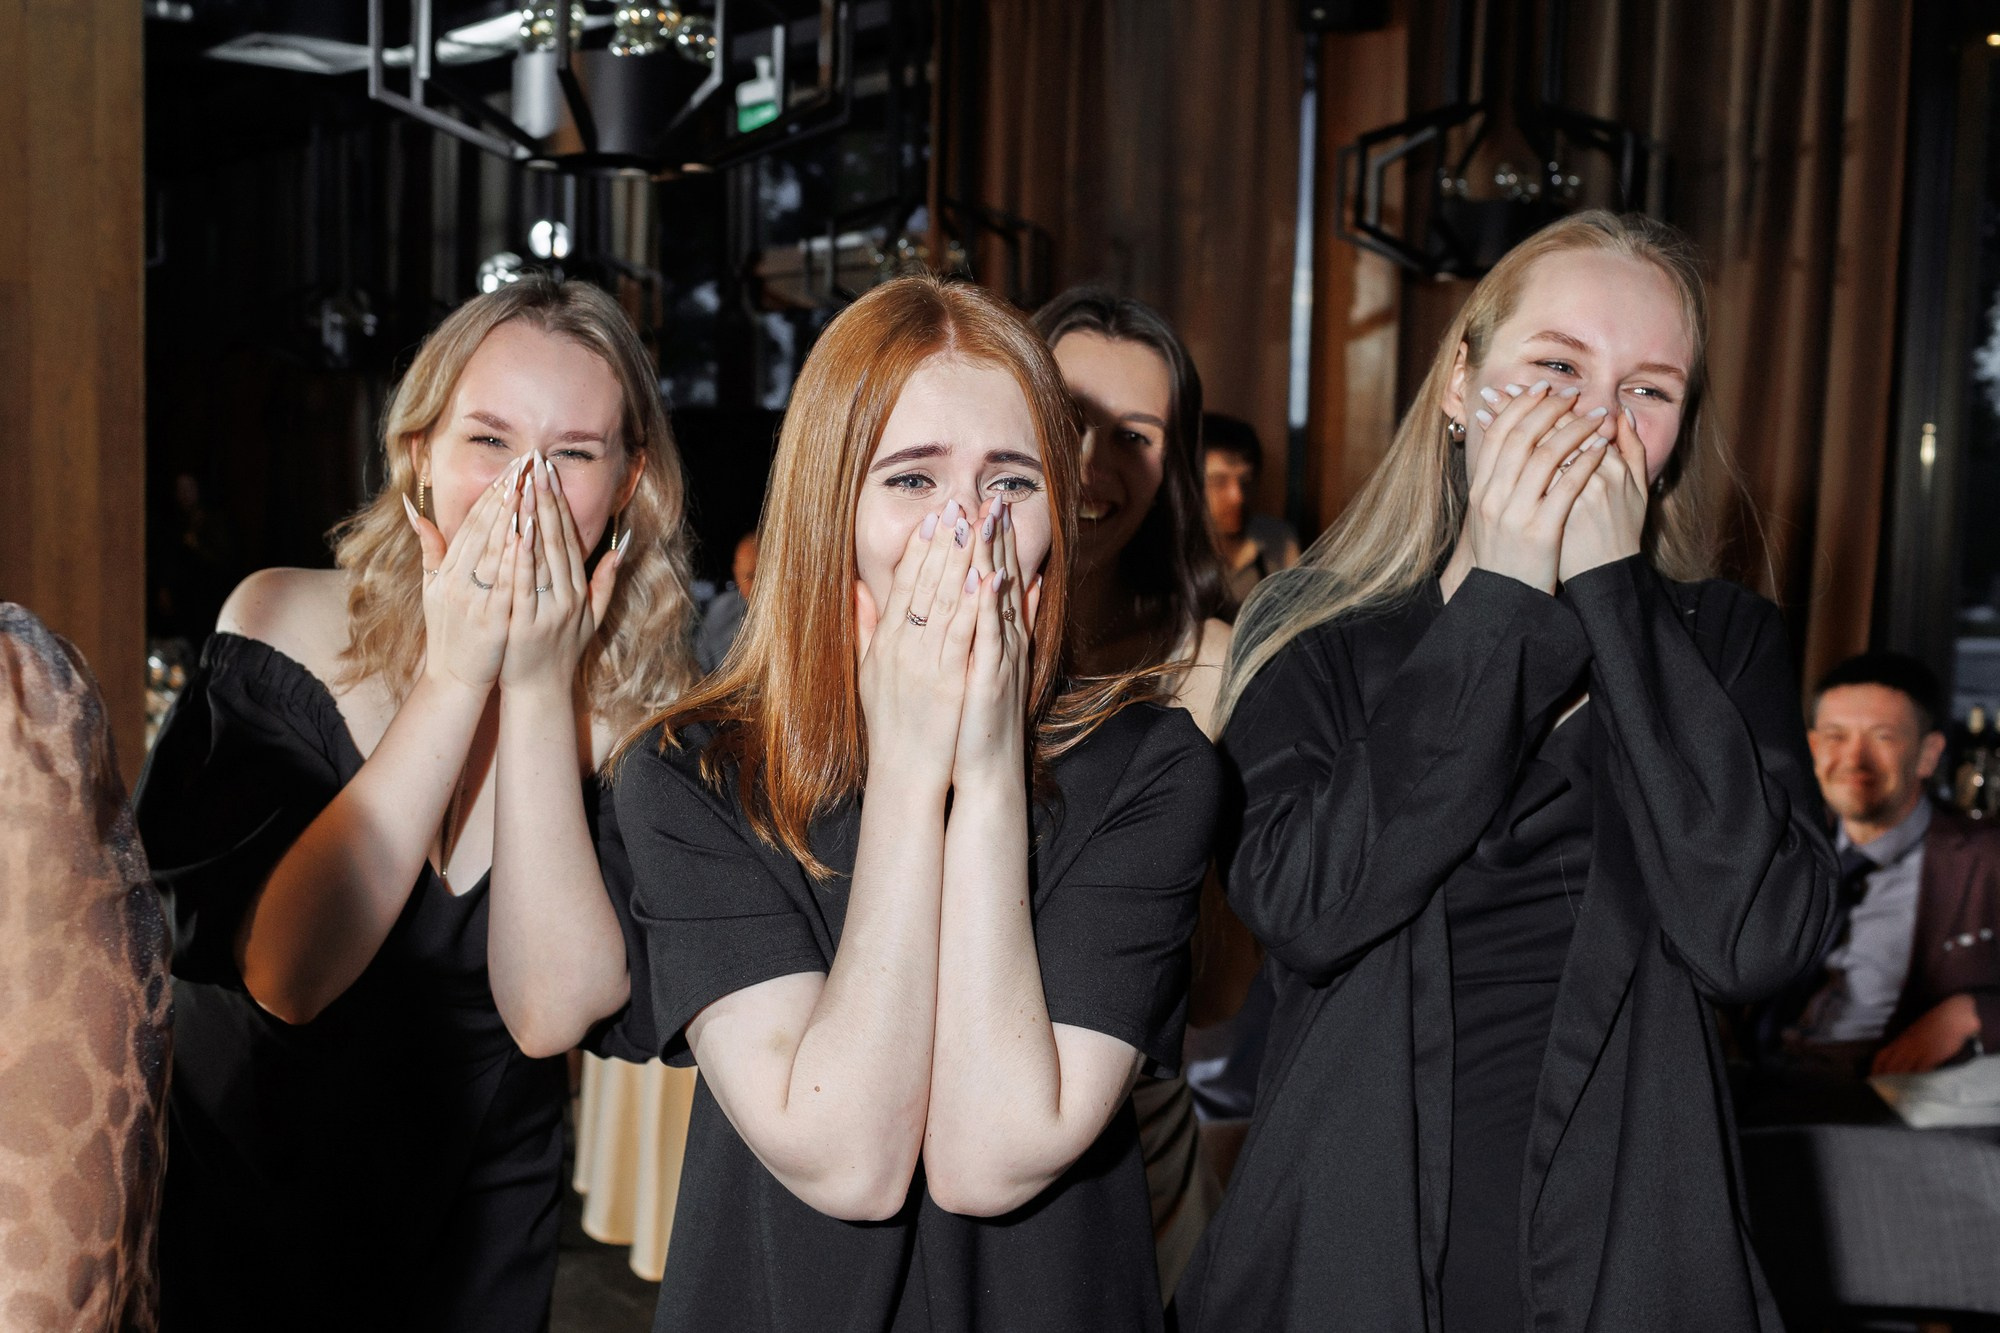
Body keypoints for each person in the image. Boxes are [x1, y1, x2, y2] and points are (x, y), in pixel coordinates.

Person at [1175, 210, 1839, 1333]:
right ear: (1456, 388)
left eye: (1648, 389)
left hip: (1632, 1259)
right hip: (1347, 1248)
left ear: (1676, 433)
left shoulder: (1720, 643)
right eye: (1555, 367)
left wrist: (1616, 600)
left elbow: (1755, 938)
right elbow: (1308, 908)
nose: (1594, 418)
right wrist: (1505, 598)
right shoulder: (1313, 633)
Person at [592, 273, 1219, 1331]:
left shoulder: (1151, 765)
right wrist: (910, 772)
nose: (966, 526)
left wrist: (978, 774)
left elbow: (994, 1153)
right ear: (830, 505)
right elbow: (846, 1161)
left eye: (1010, 482)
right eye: (913, 480)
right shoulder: (692, 771)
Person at [134, 276, 697, 1332]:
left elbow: (548, 1013)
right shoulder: (280, 622)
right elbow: (287, 977)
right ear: (419, 458)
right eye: (488, 438)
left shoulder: (639, 725)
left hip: (476, 1236)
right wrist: (452, 676)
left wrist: (535, 687)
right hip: (235, 1211)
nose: (524, 486)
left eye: (573, 453)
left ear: (626, 488)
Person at [1032, 286, 1253, 1297]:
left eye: (1137, 433)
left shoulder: (1209, 666)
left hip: (1121, 1161)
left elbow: (1216, 992)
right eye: (1067, 416)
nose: (1090, 464)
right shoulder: (907, 622)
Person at [1773, 652, 2000, 1074]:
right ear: (1812, 748)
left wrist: (1974, 1014)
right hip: (1756, 1084)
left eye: (1883, 737)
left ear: (1928, 754)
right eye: (1836, 736)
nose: (1854, 760)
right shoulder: (1778, 844)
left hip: (1887, 1102)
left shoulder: (1985, 858)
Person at [1201, 412, 1300, 607]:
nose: (1237, 497)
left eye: (1245, 481)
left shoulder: (1279, 538)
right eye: (1219, 482)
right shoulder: (1172, 553)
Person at [695, 527, 759, 672]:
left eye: (758, 576)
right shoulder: (722, 609)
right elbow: (700, 661)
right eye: (748, 576)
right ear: (735, 571)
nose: (754, 586)